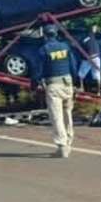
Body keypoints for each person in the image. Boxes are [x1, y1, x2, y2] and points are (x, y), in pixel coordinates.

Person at [31, 23, 79, 158]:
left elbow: (37, 71)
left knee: (56, 116)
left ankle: (62, 146)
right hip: (67, 83)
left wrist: (33, 86)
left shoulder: (44, 50)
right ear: (56, 34)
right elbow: (73, 66)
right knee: (67, 114)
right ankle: (69, 141)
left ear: (45, 35)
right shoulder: (65, 47)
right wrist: (75, 83)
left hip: (54, 85)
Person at [76, 23, 101, 91]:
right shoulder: (94, 37)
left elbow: (81, 47)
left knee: (81, 74)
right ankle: (98, 92)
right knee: (97, 75)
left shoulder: (86, 38)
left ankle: (81, 88)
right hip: (95, 57)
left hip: (89, 58)